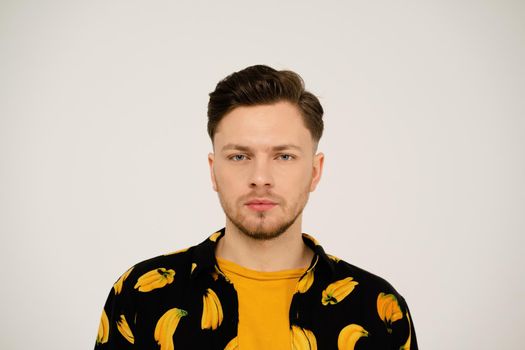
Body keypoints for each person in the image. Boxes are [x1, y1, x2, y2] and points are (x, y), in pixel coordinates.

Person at [94, 65, 418, 349]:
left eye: (284, 156)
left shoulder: (378, 308)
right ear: (213, 170)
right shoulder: (140, 295)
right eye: (239, 156)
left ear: (315, 172)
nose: (260, 178)